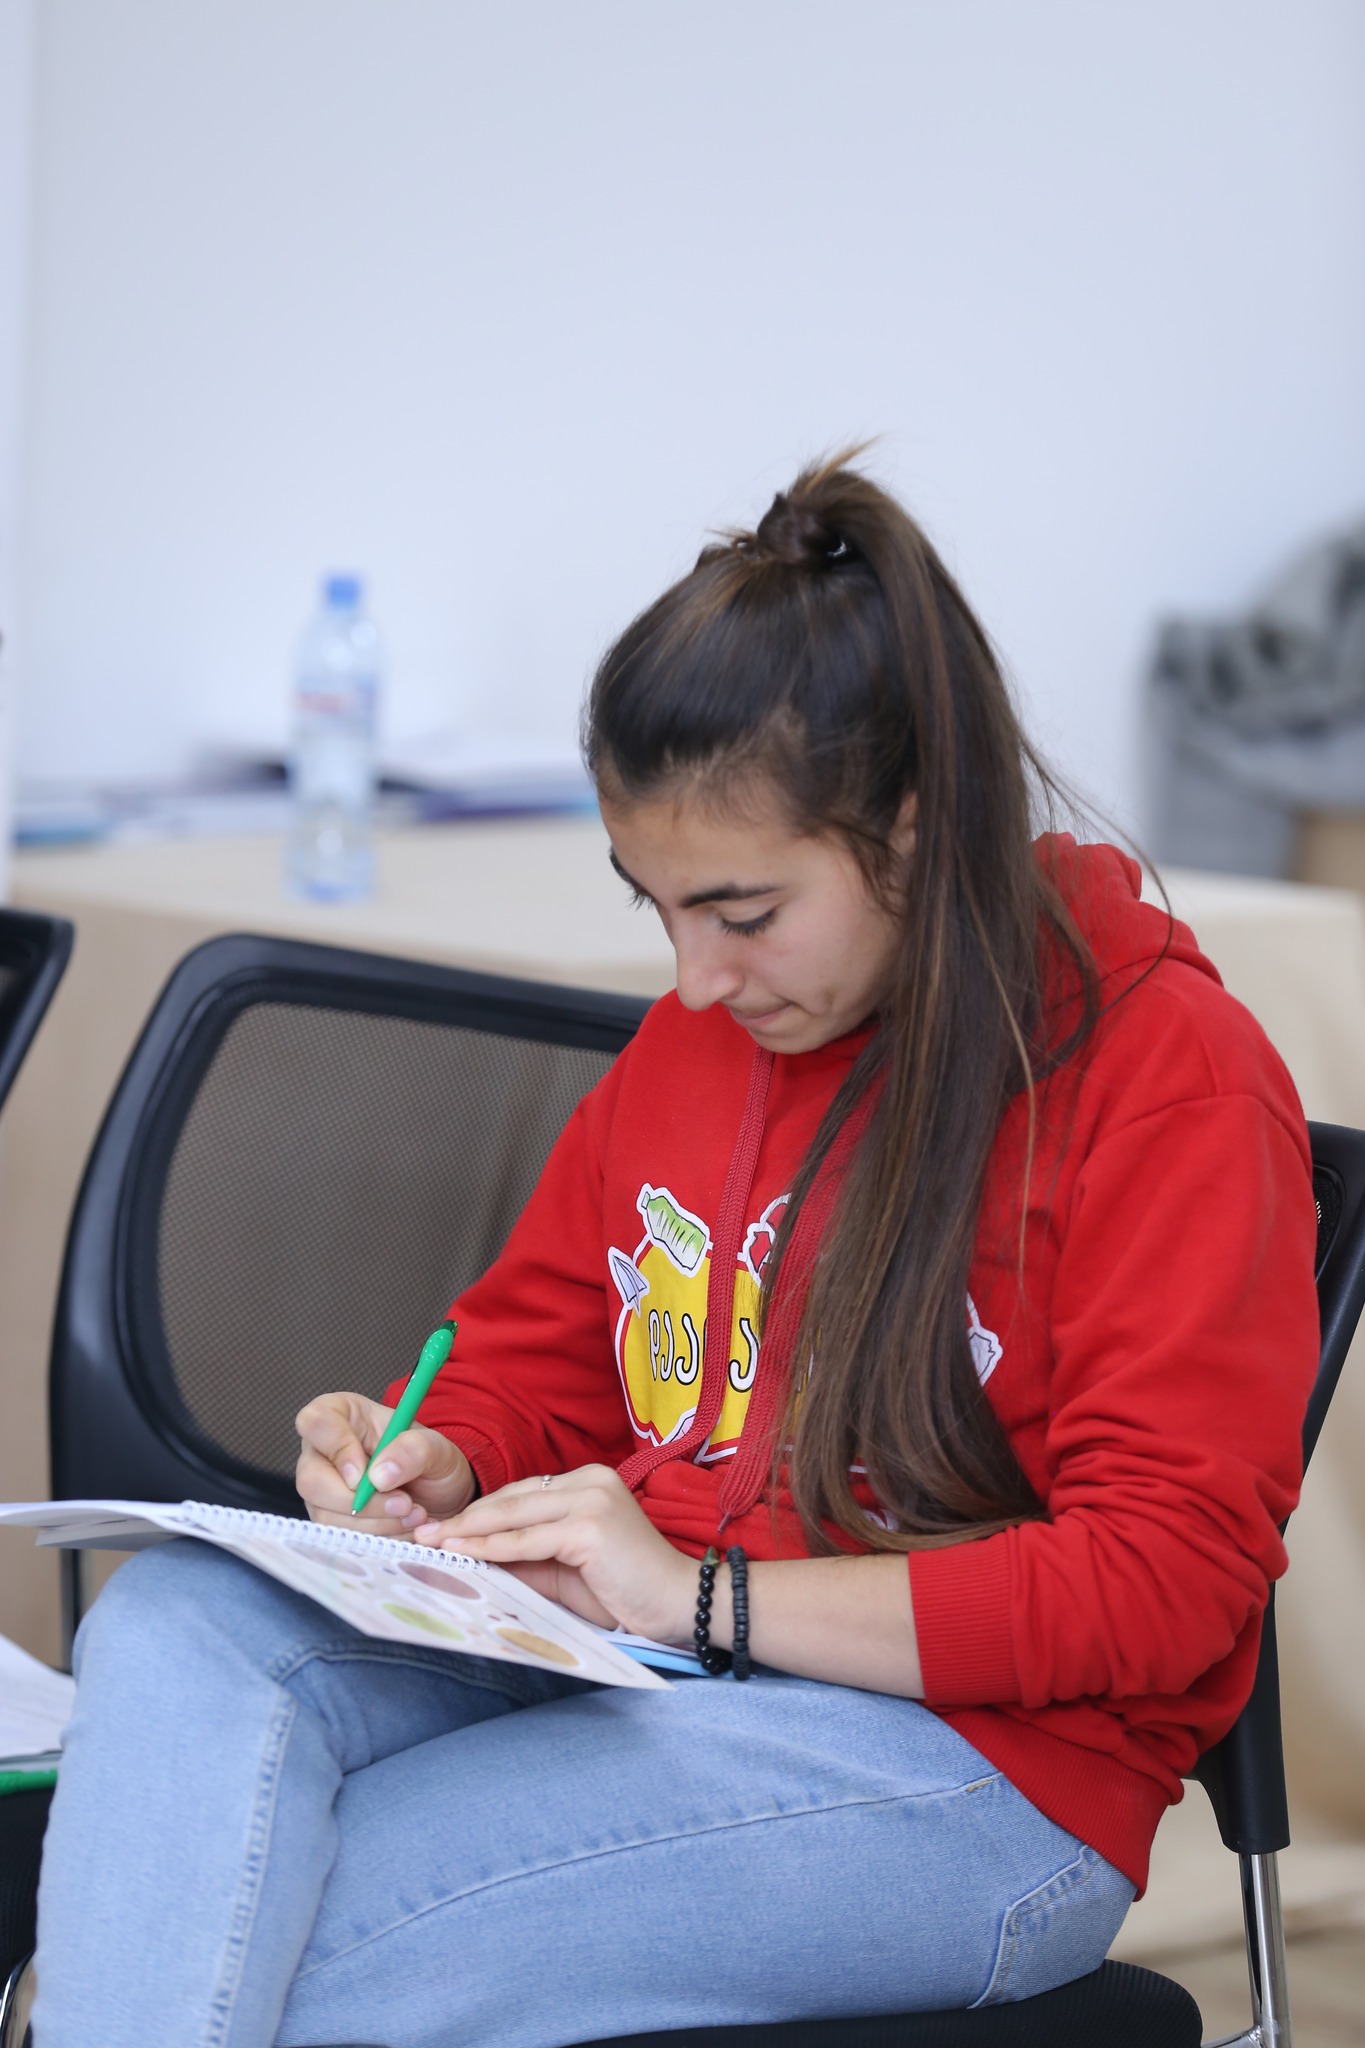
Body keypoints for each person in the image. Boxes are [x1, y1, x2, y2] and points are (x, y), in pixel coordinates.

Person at [32, 457, 1318, 2048]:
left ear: (916, 831)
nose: (694, 979)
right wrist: (443, 1451)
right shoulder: (701, 1045)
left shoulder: (1165, 1077)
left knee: (241, 1928)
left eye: (742, 912)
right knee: (176, 1629)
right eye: (655, 908)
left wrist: (705, 1601)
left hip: (973, 1775)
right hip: (642, 1661)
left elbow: (1162, 1587)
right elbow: (540, 1357)